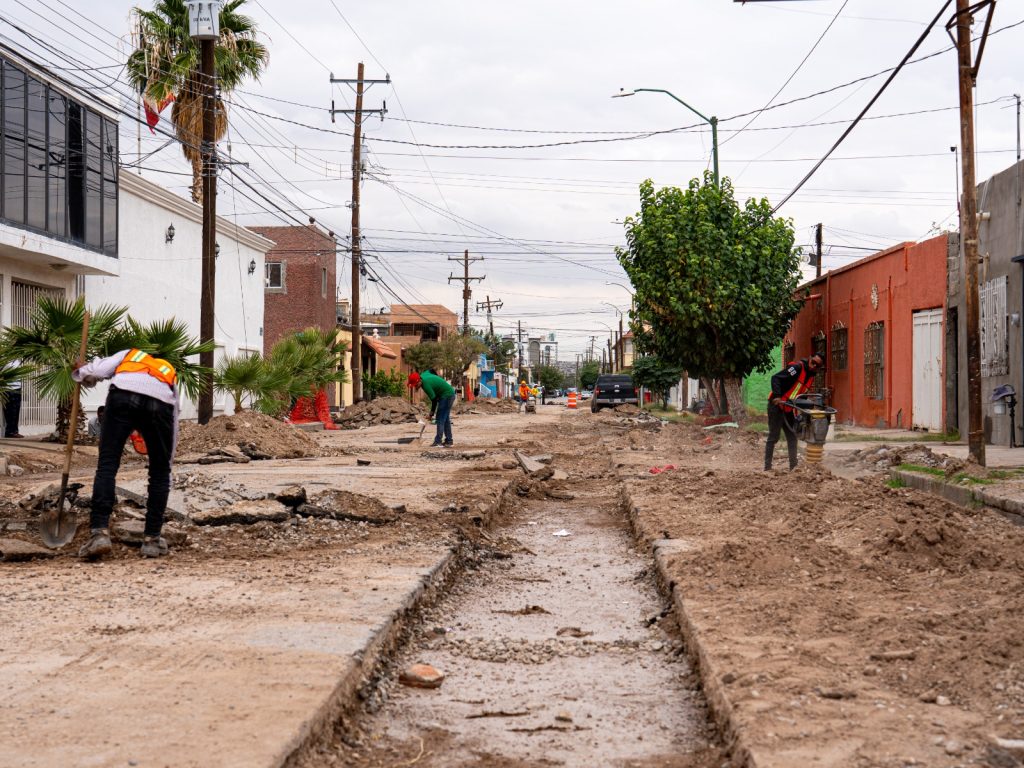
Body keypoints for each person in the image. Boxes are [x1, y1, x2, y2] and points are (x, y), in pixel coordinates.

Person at [73, 349, 179, 560]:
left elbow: (97, 372)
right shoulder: (168, 371)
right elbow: (175, 418)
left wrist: (81, 371)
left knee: (107, 466)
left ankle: (100, 534)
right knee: (159, 472)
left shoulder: (131, 354)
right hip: (161, 403)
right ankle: (152, 540)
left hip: (123, 395)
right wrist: (169, 458)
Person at [764, 353, 824, 471]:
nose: (813, 366)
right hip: (776, 406)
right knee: (773, 437)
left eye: (816, 365)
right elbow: (775, 378)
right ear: (810, 359)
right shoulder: (796, 368)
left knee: (792, 437)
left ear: (818, 368)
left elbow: (802, 396)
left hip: (788, 408)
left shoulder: (811, 377)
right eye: (813, 362)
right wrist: (777, 396)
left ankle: (793, 467)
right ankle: (767, 468)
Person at [419, 369, 455, 447]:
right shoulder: (423, 374)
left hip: (447, 395)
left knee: (440, 418)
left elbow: (434, 400)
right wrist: (438, 380)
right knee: (445, 419)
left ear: (419, 381)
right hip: (448, 394)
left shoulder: (425, 385)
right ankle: (449, 441)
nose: (415, 387)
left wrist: (431, 414)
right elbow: (430, 370)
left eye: (415, 385)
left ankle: (438, 441)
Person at [3, 358, 24, 438]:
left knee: (16, 410)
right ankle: (9, 432)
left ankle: (14, 431)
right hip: (7, 388)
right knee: (9, 411)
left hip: (17, 387)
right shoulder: (5, 358)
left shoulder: (18, 359)